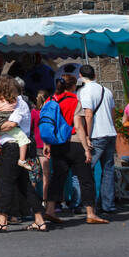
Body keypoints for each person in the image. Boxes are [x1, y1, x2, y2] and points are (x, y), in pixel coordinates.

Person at [0, 76, 49, 232]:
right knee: (24, 184)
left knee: (6, 183)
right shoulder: (13, 102)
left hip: (12, 146)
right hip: (17, 147)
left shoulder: (18, 103)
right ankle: (39, 219)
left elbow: (11, 124)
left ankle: (2, 220)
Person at [41, 75, 106, 225]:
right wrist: (86, 148)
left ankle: (50, 210)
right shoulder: (74, 101)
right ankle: (91, 213)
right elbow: (78, 126)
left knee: (57, 178)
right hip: (74, 143)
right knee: (86, 179)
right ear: (73, 87)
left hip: (57, 144)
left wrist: (47, 143)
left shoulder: (49, 100)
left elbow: (47, 123)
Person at [77, 65, 117, 214]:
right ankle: (108, 204)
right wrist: (113, 128)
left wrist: (87, 135)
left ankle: (87, 204)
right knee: (108, 169)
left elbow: (88, 114)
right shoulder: (106, 90)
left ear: (81, 75)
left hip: (96, 134)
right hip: (110, 133)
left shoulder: (84, 91)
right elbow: (112, 113)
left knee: (86, 170)